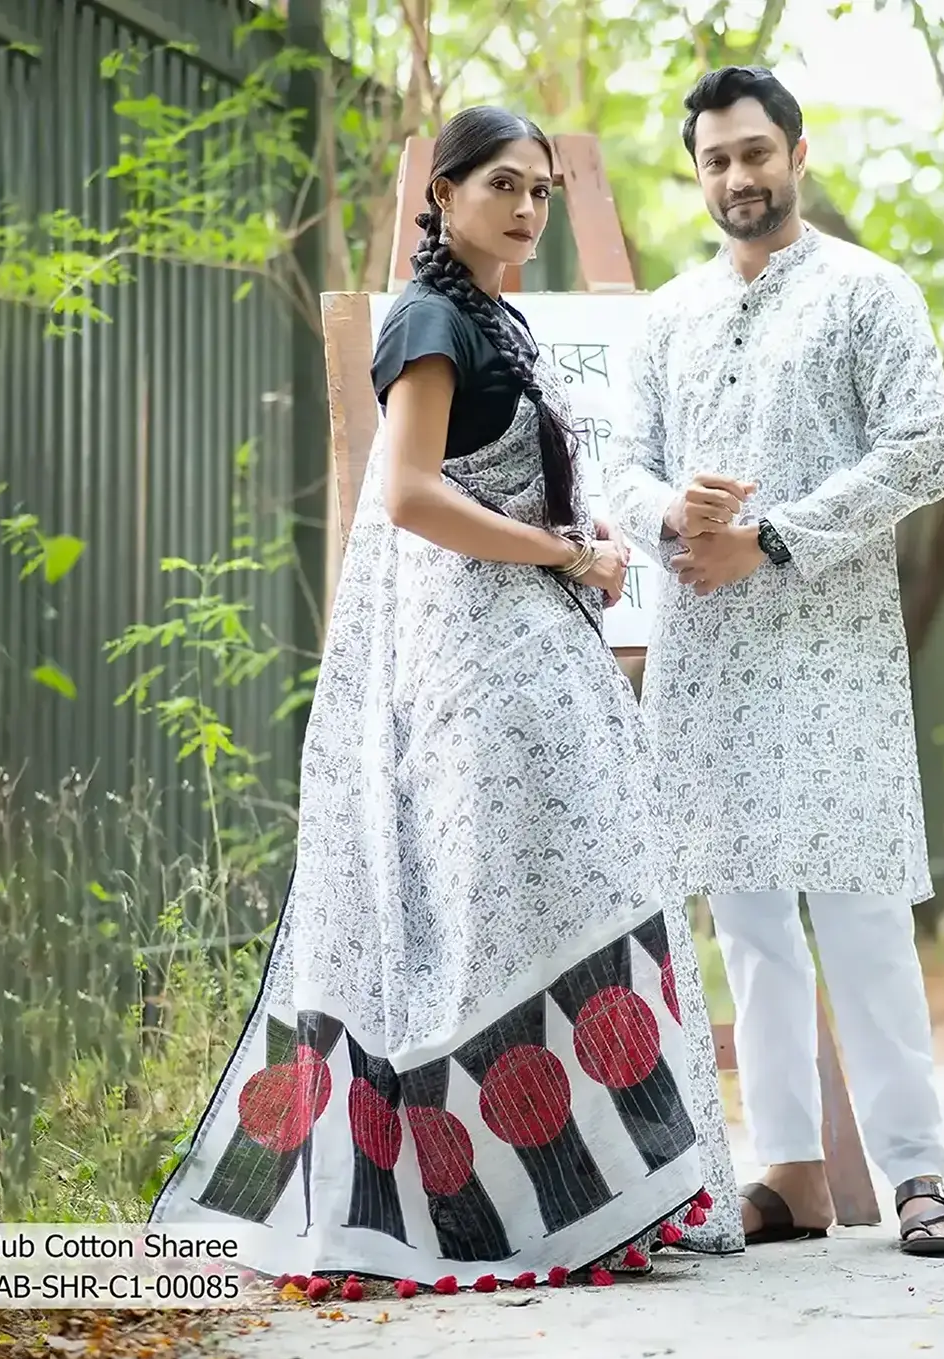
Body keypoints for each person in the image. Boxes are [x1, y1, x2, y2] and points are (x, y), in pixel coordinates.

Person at [152, 105, 743, 1290]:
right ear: (443, 196)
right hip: (472, 672)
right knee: (486, 920)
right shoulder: (427, 320)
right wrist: (566, 553)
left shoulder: (499, 320)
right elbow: (413, 494)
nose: (526, 209)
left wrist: (586, 544)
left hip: (531, 655)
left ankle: (598, 1202)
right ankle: (488, 1215)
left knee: (563, 900)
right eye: (502, 185)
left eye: (540, 190)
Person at [603, 67, 944, 1257]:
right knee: (747, 918)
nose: (738, 177)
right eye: (716, 160)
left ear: (797, 155)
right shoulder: (666, 316)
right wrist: (674, 515)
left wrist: (768, 539)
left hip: (832, 650)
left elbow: (919, 451)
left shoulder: (869, 291)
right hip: (708, 656)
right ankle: (792, 1173)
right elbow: (621, 465)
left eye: (756, 153)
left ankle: (917, 1173)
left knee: (860, 908)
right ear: (697, 173)